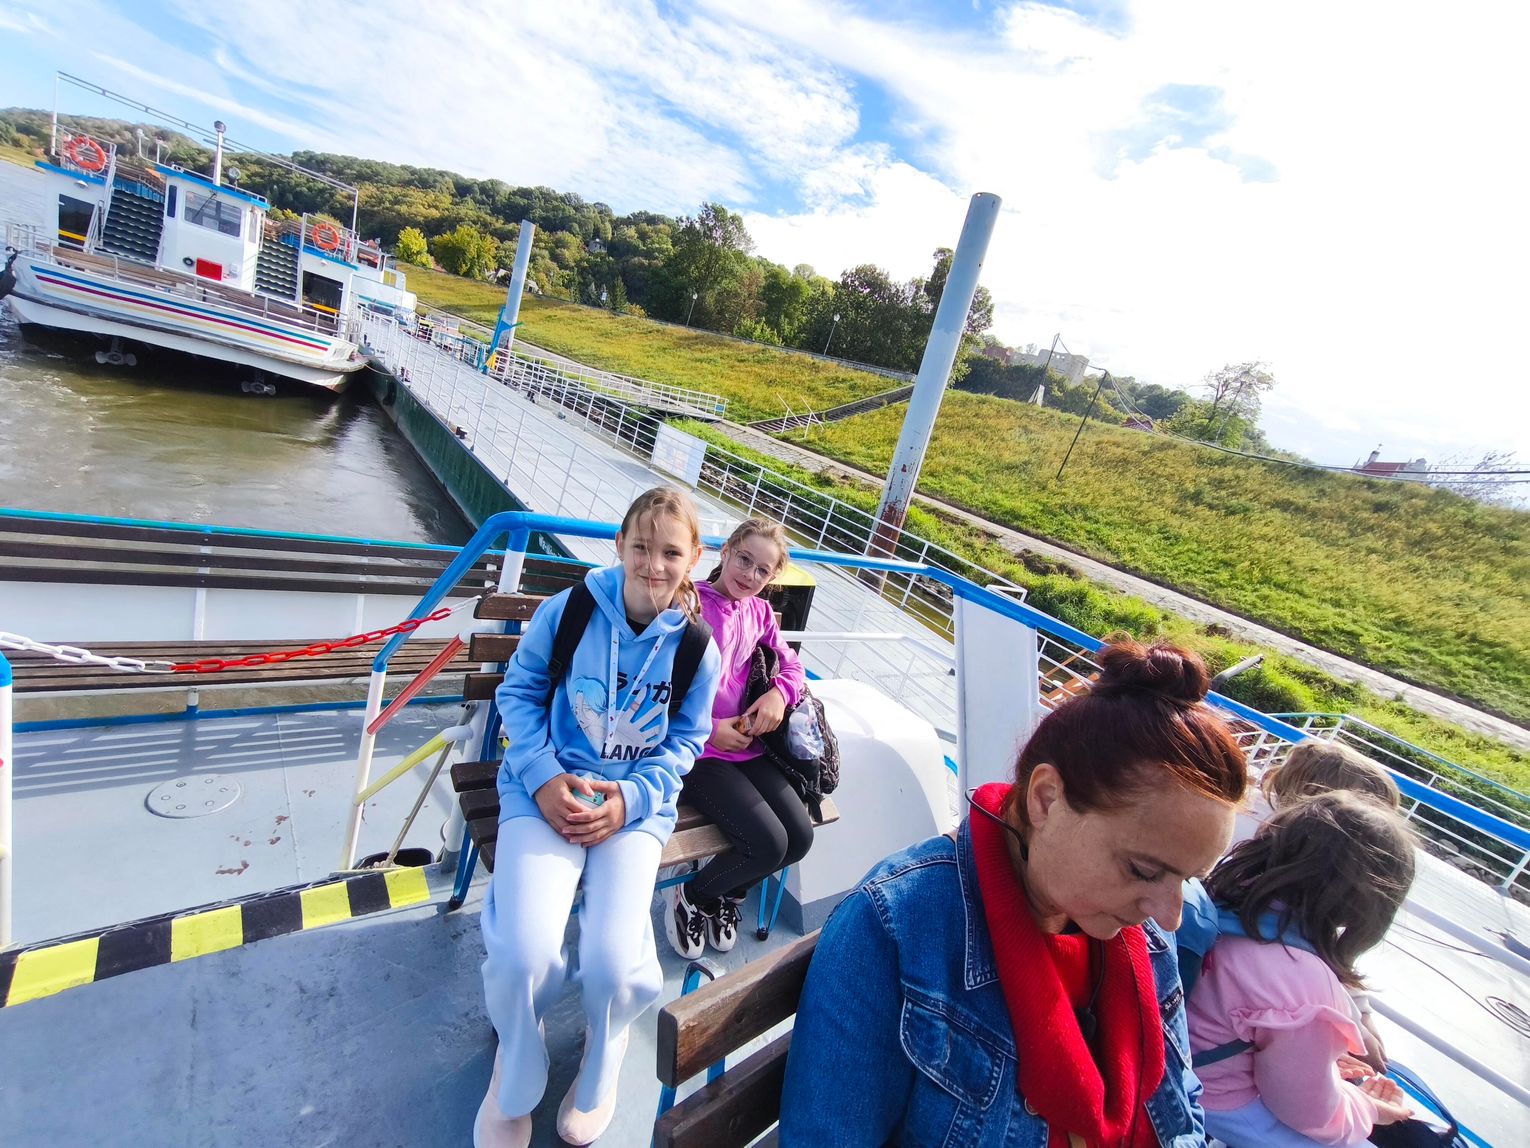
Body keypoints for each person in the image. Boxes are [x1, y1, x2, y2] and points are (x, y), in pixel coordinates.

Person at [779, 639, 1250, 1146]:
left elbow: (1182, 1106)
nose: (1171, 916)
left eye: (1188, 879)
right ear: (1046, 799)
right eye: (1143, 870)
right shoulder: (898, 930)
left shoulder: (1144, 930)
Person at [474, 486, 722, 1148]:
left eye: (671, 553)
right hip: (545, 791)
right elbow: (519, 692)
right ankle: (515, 1067)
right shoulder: (571, 611)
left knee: (613, 964)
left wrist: (631, 800)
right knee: (523, 952)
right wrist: (543, 778)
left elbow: (686, 742)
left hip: (633, 808)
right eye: (640, 547)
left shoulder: (697, 648)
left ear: (694, 557)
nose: (653, 565)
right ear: (619, 544)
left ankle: (603, 1049)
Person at [1186, 791, 1418, 1146]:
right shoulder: (1304, 982)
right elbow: (1310, 1114)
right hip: (1212, 1102)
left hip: (1175, 1063)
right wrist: (1369, 1108)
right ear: (1368, 906)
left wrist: (1315, 1062)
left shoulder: (1220, 903)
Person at [662, 517, 811, 958]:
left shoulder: (759, 613)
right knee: (768, 844)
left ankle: (727, 892)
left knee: (799, 838)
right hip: (697, 751)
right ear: (725, 551)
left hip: (746, 748)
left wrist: (779, 696)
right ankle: (695, 895)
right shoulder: (688, 605)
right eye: (744, 560)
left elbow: (792, 666)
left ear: (772, 576)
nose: (749, 575)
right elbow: (655, 686)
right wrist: (709, 730)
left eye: (762, 570)